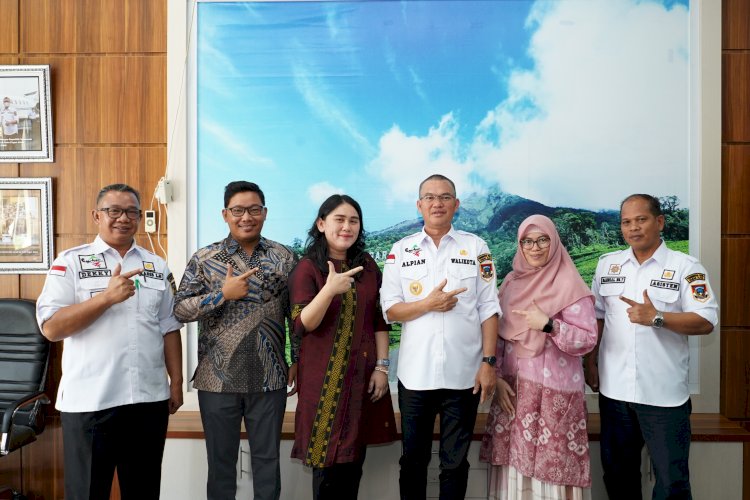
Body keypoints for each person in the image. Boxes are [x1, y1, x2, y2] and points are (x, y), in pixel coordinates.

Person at [35, 183, 183, 500]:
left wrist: (177, 382)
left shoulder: (156, 266)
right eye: (113, 210)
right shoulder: (70, 263)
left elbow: (169, 326)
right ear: (96, 216)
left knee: (144, 493)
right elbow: (52, 328)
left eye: (132, 211)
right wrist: (105, 299)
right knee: (88, 493)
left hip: (147, 402)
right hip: (91, 404)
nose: (123, 218)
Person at [584, 194, 718, 500]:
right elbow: (598, 318)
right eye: (626, 222)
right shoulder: (608, 265)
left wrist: (656, 317)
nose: (633, 228)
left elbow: (706, 320)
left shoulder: (686, 267)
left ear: (659, 222)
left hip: (663, 398)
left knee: (672, 484)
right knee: (618, 476)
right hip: (615, 393)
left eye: (641, 220)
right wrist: (590, 363)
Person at [380, 173, 501, 500]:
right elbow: (390, 310)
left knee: (455, 462)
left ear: (456, 204)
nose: (437, 203)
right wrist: (427, 304)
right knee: (413, 460)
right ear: (420, 205)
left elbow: (489, 308)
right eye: (430, 197)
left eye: (445, 197)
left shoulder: (476, 247)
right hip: (415, 377)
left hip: (464, 377)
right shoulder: (400, 250)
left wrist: (489, 362)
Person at [174, 181, 297, 500]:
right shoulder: (205, 258)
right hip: (217, 380)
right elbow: (180, 310)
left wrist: (296, 358)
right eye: (239, 210)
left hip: (268, 377)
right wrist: (221, 295)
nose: (247, 217)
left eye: (254, 209)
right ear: (225, 214)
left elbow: (295, 314)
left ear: (265, 213)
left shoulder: (283, 257)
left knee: (268, 465)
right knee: (221, 466)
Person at [480, 214, 597, 500]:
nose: (535, 247)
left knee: (554, 467)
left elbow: (588, 339)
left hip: (554, 400)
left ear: (554, 241)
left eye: (542, 239)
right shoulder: (509, 283)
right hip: (514, 392)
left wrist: (549, 325)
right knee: (513, 464)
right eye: (527, 241)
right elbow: (495, 333)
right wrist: (494, 378)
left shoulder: (569, 283)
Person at [289, 194, 397, 499]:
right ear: (322, 224)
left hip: (361, 381)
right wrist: (328, 290)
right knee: (326, 472)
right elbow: (301, 324)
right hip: (323, 385)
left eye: (354, 220)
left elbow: (379, 319)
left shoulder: (367, 266)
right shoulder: (308, 268)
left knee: (352, 468)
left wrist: (382, 367)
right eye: (339, 219)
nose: (347, 227)